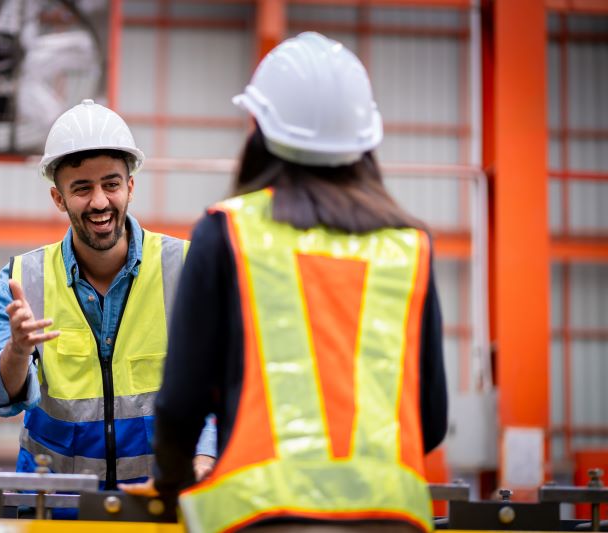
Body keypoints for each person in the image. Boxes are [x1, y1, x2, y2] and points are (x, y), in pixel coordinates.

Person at [122, 32, 448, 533]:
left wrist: (172, 483)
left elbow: (181, 402)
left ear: (259, 127)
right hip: (393, 519)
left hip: (265, 521)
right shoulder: (409, 245)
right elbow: (429, 419)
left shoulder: (228, 231)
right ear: (367, 137)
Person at [0, 99, 216, 494]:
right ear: (59, 198)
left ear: (130, 187)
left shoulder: (185, 267)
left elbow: (220, 380)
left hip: (154, 505)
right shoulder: (23, 279)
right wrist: (17, 352)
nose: (100, 202)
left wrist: (203, 457)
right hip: (51, 511)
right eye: (82, 188)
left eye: (111, 184)